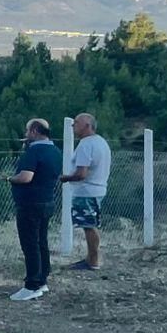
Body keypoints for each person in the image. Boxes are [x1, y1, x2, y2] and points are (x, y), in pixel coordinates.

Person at [6, 118, 63, 300]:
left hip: (30, 203)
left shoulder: (34, 151)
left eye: (27, 130)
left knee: (30, 244)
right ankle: (42, 280)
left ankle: (32, 285)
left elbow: (26, 177)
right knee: (41, 242)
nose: (25, 135)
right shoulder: (55, 151)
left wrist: (9, 178)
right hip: (47, 201)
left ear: (35, 131)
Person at [60, 112, 112, 271]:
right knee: (90, 224)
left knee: (88, 225)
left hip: (86, 191)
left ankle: (93, 260)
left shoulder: (85, 145)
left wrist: (66, 178)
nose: (73, 126)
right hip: (97, 188)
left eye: (76, 123)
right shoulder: (101, 143)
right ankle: (91, 258)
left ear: (87, 125)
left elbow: (82, 173)